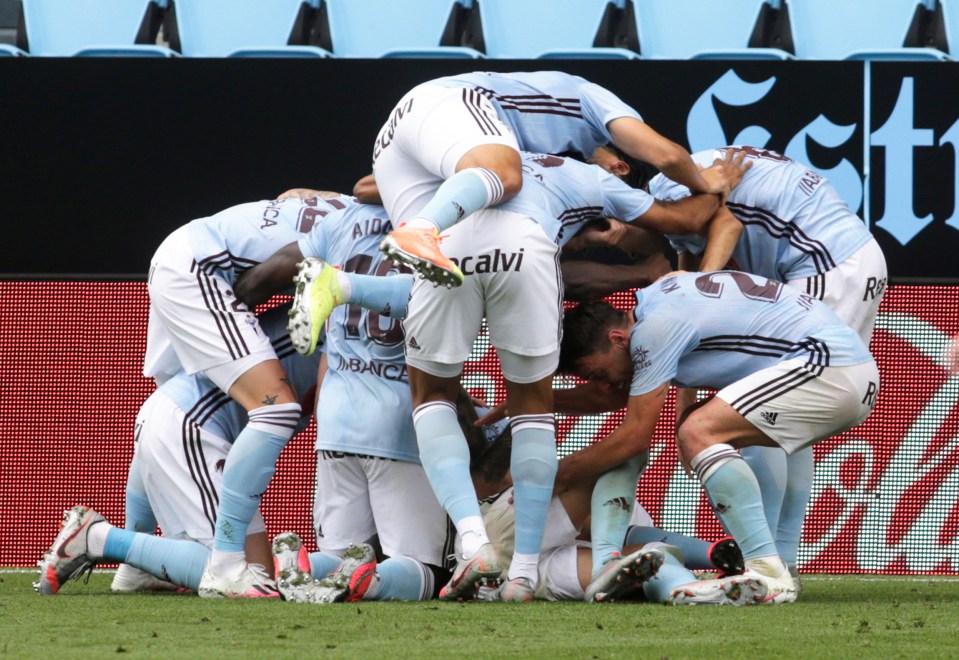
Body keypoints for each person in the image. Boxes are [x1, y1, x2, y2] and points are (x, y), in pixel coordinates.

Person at [554, 270, 880, 603]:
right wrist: (526, 402)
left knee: (699, 430)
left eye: (598, 374)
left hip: (827, 365)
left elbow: (633, 439)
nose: (605, 384)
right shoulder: (657, 301)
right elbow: (612, 396)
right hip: (845, 367)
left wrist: (559, 476)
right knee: (719, 429)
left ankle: (767, 571)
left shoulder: (653, 329)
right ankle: (781, 563)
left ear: (618, 339)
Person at [646, 145, 887, 586]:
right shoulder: (676, 186)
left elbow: (727, 227)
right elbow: (692, 263)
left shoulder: (665, 193)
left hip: (823, 264)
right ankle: (781, 556)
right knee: (775, 414)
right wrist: (688, 395)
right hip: (848, 258)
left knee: (755, 411)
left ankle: (766, 561)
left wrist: (699, 287)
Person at [234, 199, 454, 605]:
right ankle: (370, 582)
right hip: (400, 422)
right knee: (426, 567)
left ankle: (301, 566)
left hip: (336, 416)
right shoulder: (443, 228)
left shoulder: (345, 219)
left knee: (338, 553)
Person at [142, 193, 352, 598]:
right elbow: (266, 275)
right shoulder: (373, 232)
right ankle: (222, 562)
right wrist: (235, 315)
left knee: (168, 394)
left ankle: (132, 562)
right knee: (277, 408)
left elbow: (297, 194)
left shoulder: (352, 202)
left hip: (185, 252)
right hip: (201, 271)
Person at [35, 304, 321, 596]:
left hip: (170, 411)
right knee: (247, 575)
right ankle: (98, 538)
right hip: (193, 426)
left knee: (253, 571)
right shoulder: (336, 328)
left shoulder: (326, 315)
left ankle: (135, 568)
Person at [370, 70, 732, 287]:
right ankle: (420, 230)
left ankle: (343, 286)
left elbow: (365, 187)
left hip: (393, 143)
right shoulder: (591, 100)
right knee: (504, 175)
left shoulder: (530, 159)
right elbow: (666, 155)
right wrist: (705, 182)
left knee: (441, 284)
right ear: (619, 168)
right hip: (445, 101)